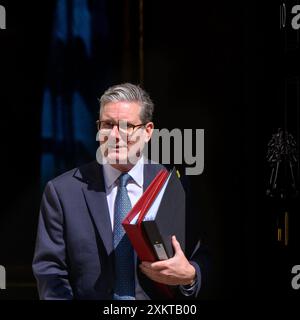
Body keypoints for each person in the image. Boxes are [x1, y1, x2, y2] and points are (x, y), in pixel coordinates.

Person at [32, 83, 209, 300]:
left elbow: (201, 256)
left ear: (148, 131)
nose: (115, 135)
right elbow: (51, 274)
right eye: (108, 124)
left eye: (127, 126)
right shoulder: (62, 192)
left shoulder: (173, 186)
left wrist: (190, 276)